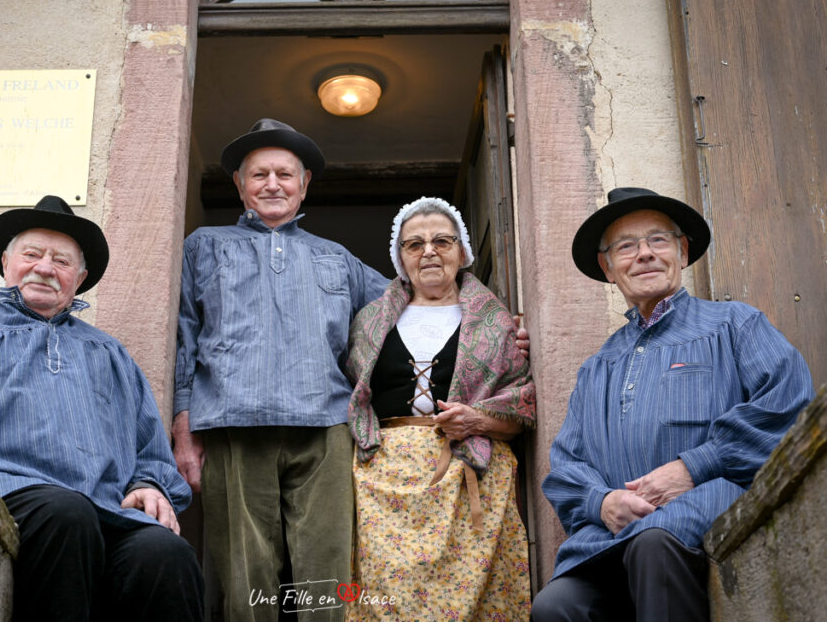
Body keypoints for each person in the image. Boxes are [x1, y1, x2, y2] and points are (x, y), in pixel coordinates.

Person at [531, 187, 814, 622]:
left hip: (707, 510)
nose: (644, 254)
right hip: (612, 537)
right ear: (609, 268)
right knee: (555, 605)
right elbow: (567, 465)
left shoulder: (735, 324)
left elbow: (787, 406)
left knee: (654, 543)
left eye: (658, 240)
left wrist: (694, 467)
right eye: (626, 246)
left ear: (681, 252)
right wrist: (602, 503)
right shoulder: (597, 368)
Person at [0, 195, 203, 622]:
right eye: (32, 254)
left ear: (80, 277)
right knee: (67, 514)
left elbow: (148, 445)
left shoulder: (110, 354)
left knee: (165, 553)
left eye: (62, 261)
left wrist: (149, 483)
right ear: (6, 261)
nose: (45, 268)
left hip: (106, 510)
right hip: (9, 497)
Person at [173, 118, 390, 621]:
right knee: (244, 576)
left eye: (285, 174)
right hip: (232, 424)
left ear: (305, 182)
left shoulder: (336, 258)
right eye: (259, 174)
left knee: (326, 575)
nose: (273, 184)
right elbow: (183, 336)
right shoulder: (205, 245)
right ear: (239, 184)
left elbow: (412, 301)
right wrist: (183, 426)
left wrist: (494, 321)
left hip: (325, 429)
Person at [345, 197, 536, 621]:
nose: (428, 251)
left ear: (463, 252)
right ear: (400, 258)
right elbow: (352, 393)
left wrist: (476, 420)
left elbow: (523, 404)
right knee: (387, 598)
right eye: (414, 245)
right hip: (384, 481)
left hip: (471, 476)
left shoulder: (499, 323)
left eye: (441, 241)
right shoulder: (367, 322)